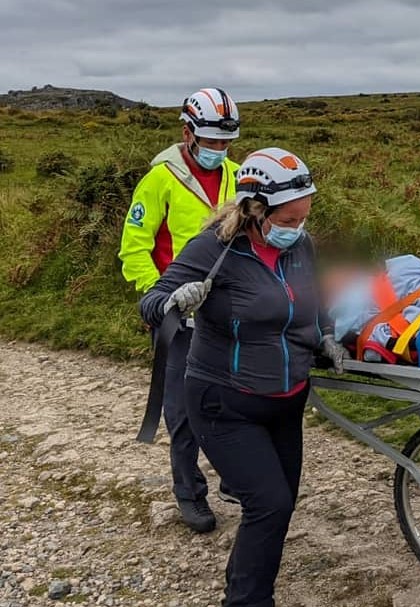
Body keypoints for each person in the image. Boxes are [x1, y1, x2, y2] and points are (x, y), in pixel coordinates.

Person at [140, 148, 346, 607]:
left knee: (278, 507)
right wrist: (178, 300)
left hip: (286, 400)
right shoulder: (212, 249)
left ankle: (241, 584)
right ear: (255, 209)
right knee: (269, 504)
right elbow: (151, 302)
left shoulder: (302, 246)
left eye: (304, 217)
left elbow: (316, 302)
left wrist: (328, 336)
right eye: (289, 219)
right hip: (225, 402)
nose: (299, 229)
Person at [119, 87, 242, 533]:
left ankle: (234, 477)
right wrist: (159, 298)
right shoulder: (159, 180)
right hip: (179, 314)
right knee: (183, 408)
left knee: (234, 398)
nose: (218, 150)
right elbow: (135, 247)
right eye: (210, 142)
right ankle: (189, 493)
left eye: (225, 142)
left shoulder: (235, 176)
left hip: (227, 312)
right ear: (188, 133)